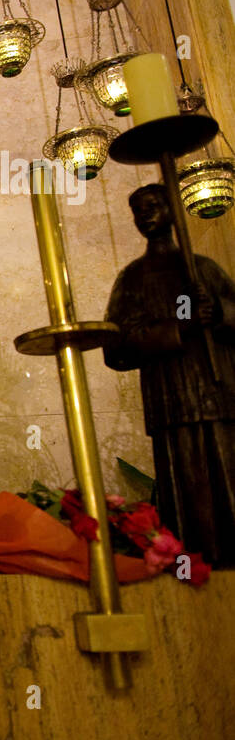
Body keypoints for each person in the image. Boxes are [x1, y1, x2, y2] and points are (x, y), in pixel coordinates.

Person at [104, 183, 235, 567]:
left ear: (172, 211)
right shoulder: (133, 279)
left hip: (218, 391)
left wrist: (221, 313)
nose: (145, 215)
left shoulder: (201, 269)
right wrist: (182, 326)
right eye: (138, 210)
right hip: (172, 399)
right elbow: (118, 344)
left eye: (153, 206)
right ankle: (191, 567)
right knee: (187, 492)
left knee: (227, 480)